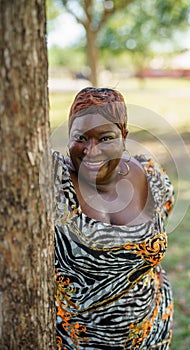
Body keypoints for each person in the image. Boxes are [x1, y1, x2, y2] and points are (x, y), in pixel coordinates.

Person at [53, 87, 175, 350]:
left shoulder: (150, 175)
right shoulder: (56, 181)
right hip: (78, 341)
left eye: (106, 138)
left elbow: (166, 210)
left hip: (151, 331)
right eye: (81, 137)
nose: (91, 150)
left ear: (124, 137)